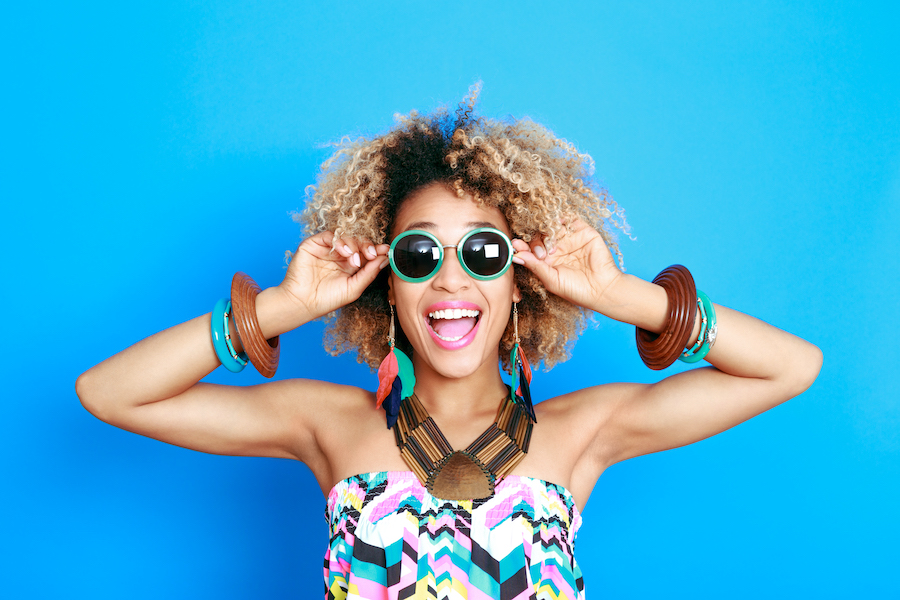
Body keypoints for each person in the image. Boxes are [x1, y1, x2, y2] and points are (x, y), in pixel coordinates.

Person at [76, 90, 823, 600]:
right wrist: (282, 307)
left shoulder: (581, 433)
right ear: (386, 282)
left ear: (520, 282)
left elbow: (792, 368)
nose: (452, 280)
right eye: (420, 256)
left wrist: (620, 295)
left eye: (485, 255)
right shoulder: (326, 425)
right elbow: (109, 393)